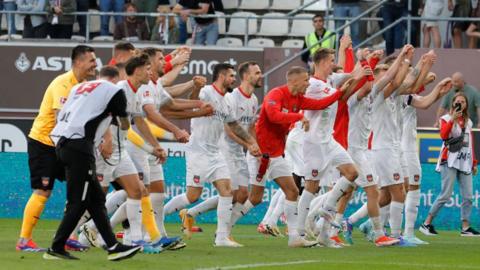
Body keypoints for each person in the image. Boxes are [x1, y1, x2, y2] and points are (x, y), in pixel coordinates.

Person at [228, 66, 344, 248]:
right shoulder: (276, 94)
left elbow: (320, 104)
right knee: (255, 198)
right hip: (261, 156)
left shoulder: (297, 99)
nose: (308, 83)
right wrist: (298, 117)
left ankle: (294, 238)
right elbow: (274, 116)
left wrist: (340, 92)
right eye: (305, 80)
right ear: (294, 81)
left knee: (292, 191)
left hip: (275, 155)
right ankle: (225, 229)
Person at [45, 66, 143, 261]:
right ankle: (55, 247)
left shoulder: (81, 88)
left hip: (63, 143)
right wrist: (120, 116)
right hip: (80, 147)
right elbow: (125, 124)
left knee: (97, 200)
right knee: (78, 202)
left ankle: (114, 246)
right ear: (118, 79)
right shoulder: (115, 90)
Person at [163, 63, 261, 247]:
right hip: (198, 151)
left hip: (215, 152)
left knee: (227, 191)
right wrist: (196, 88)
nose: (234, 79)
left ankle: (221, 237)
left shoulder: (226, 101)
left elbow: (234, 125)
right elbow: (193, 103)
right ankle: (156, 216)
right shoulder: (207, 91)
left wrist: (251, 142)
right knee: (192, 196)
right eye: (231, 76)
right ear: (222, 76)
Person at [16, 45, 97, 252]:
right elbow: (64, 118)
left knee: (79, 190)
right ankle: (24, 240)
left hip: (64, 144)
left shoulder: (85, 85)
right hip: (44, 143)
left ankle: (67, 237)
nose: (95, 64)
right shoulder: (63, 84)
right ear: (78, 62)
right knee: (43, 190)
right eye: (91, 61)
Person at [420, 92, 480, 237]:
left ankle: (465, 227)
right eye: (457, 101)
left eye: (463, 102)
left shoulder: (468, 121)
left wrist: (473, 163)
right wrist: (452, 119)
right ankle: (426, 223)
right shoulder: (445, 118)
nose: (460, 104)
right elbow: (444, 136)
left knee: (468, 196)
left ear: (466, 105)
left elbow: (470, 142)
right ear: (453, 103)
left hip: (465, 161)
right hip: (450, 160)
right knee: (445, 195)